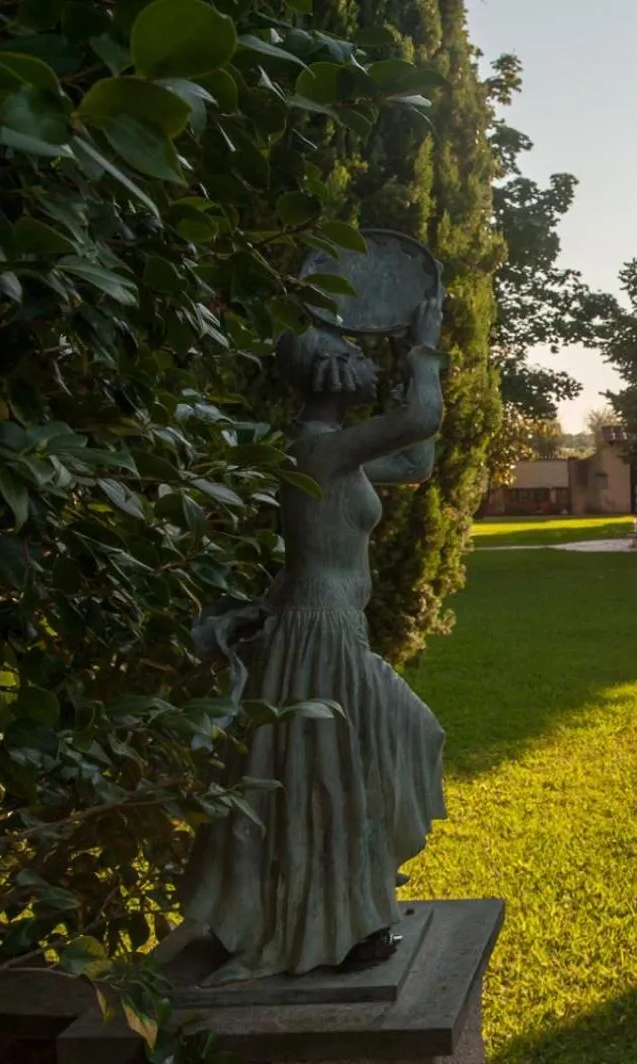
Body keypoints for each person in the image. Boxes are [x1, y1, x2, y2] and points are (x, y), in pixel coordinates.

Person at [182, 296, 449, 984]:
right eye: (355, 357)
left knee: (351, 762)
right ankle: (336, 924)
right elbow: (420, 417)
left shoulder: (336, 455)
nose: (364, 365)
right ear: (329, 373)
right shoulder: (320, 448)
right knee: (335, 775)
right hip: (319, 632)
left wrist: (400, 366)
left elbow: (417, 454)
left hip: (318, 626)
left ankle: (331, 913)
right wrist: (422, 347)